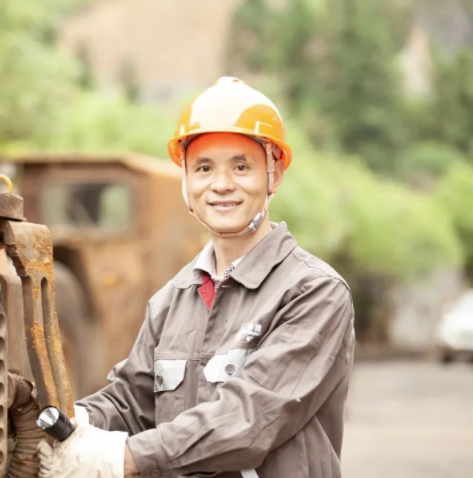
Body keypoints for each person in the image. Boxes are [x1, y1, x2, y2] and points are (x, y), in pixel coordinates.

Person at [37, 77, 355, 478]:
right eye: (204, 168)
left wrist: (118, 458)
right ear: (186, 182)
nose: (221, 185)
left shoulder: (314, 293)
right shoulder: (173, 298)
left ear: (274, 175)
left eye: (241, 166)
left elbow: (250, 418)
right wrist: (71, 424)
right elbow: (130, 403)